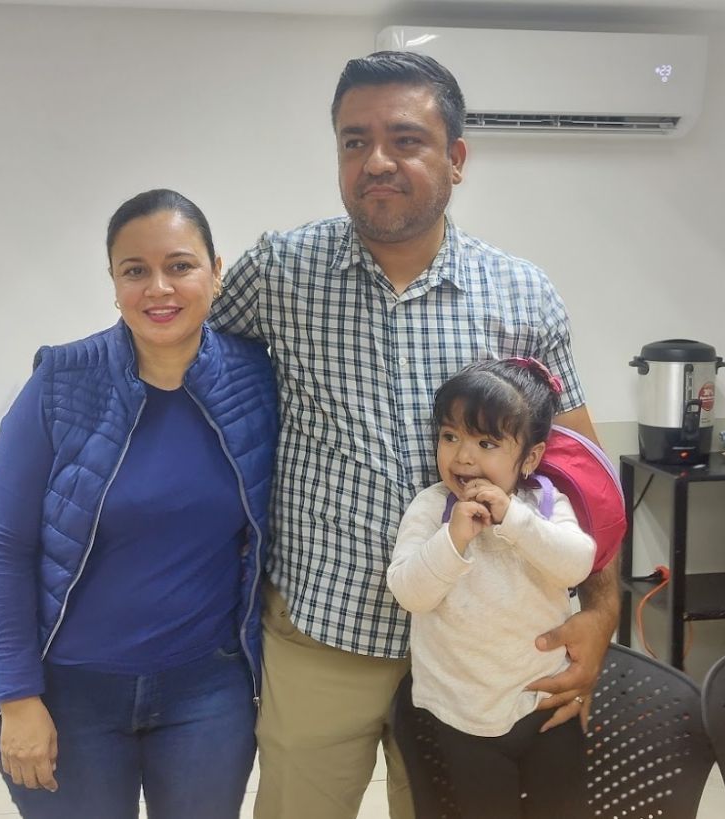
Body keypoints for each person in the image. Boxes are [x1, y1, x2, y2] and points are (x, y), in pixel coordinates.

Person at [209, 51, 618, 819]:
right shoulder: (278, 273)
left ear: (456, 157)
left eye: (404, 139)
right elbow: (179, 363)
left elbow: (586, 478)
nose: (376, 161)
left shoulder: (522, 292)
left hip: (481, 650)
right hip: (324, 631)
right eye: (354, 141)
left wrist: (600, 612)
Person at [0, 189, 278, 819]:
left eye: (180, 265)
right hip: (68, 692)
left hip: (206, 691)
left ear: (216, 271)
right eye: (135, 270)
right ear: (114, 283)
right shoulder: (61, 382)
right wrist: (18, 697)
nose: (158, 288)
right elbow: (5, 551)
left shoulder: (256, 378)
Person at [387, 358, 596, 818]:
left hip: (544, 705)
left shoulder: (543, 505)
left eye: (486, 443)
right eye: (450, 437)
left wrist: (514, 520)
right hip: (462, 716)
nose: (463, 456)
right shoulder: (431, 509)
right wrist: (453, 539)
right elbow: (409, 593)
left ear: (530, 458)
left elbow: (577, 564)